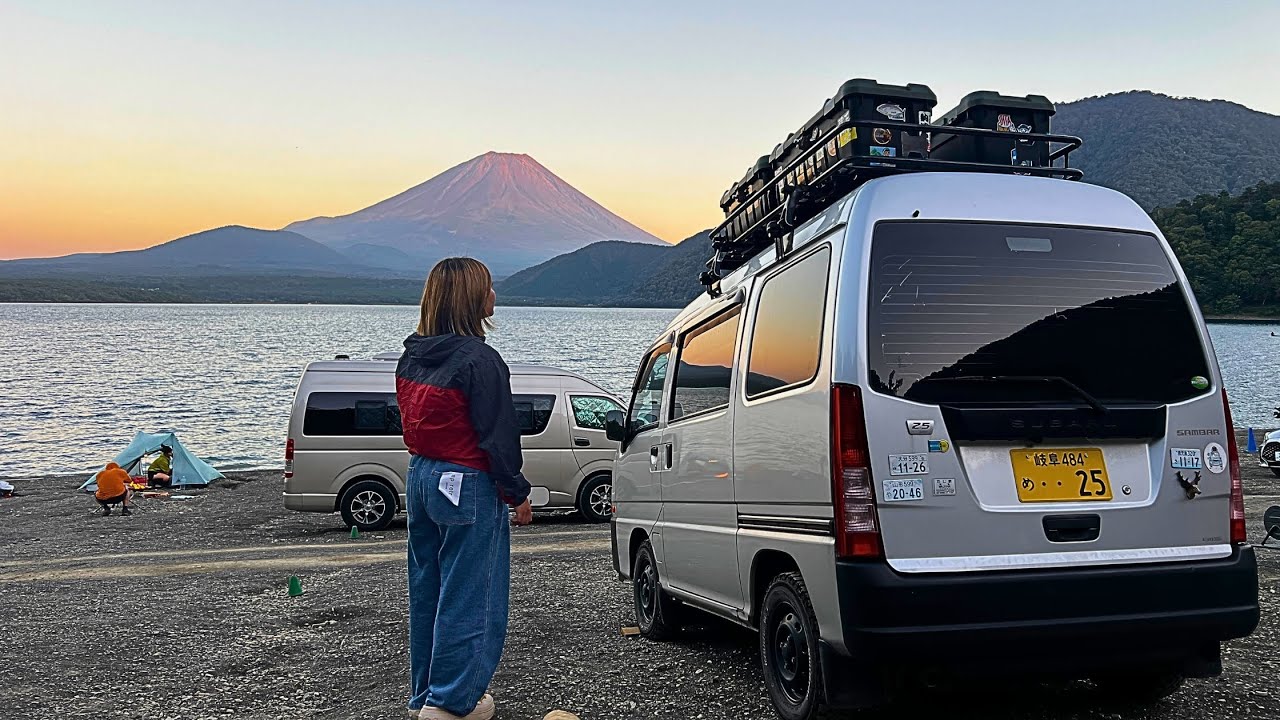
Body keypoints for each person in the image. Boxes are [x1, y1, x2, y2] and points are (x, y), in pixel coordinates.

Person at [395, 257, 533, 720]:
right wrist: (517, 493)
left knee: (428, 590)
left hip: (421, 477)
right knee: (473, 596)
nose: (495, 295)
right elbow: (498, 436)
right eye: (489, 288)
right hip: (466, 483)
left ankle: (426, 695)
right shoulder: (481, 360)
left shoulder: (412, 354)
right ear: (474, 300)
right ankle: (452, 702)